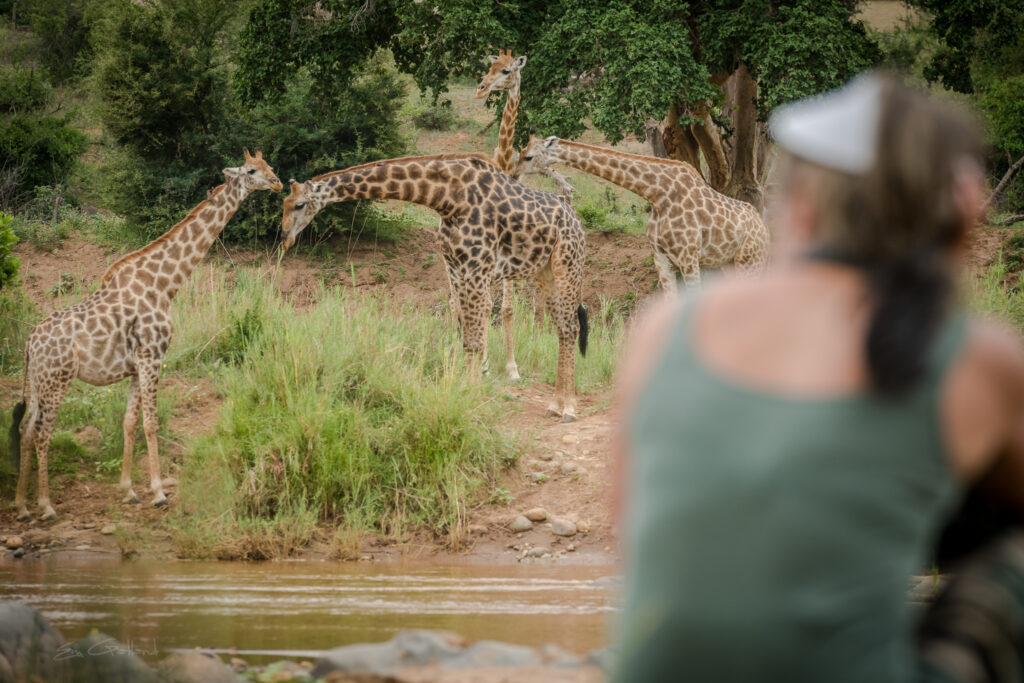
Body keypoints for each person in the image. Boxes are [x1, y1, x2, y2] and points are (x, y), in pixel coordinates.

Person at [611, 73, 1024, 683]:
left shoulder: (666, 325)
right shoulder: (974, 358)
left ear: (797, 204)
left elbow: (628, 530)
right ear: (955, 209)